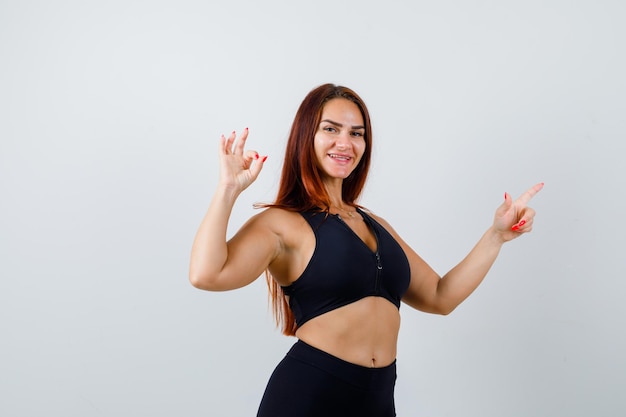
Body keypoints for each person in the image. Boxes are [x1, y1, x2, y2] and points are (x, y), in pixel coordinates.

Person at [189, 83, 543, 417]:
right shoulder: (282, 223)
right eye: (331, 129)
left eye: (356, 133)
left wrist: (495, 237)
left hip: (377, 401)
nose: (345, 143)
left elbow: (439, 297)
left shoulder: (376, 225)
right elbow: (207, 275)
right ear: (305, 137)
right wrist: (228, 189)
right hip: (309, 397)